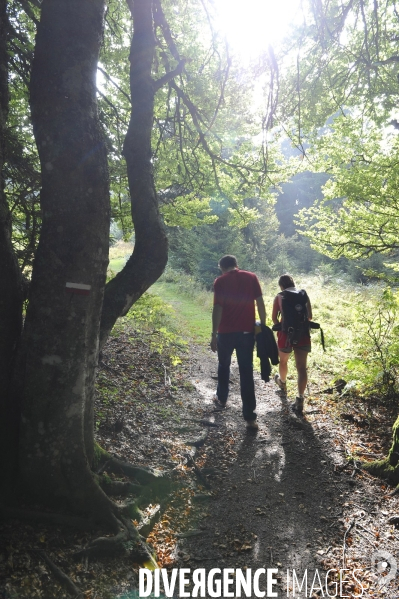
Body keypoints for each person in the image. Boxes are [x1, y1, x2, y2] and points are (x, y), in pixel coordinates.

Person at [210, 255, 266, 430]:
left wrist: (213, 334)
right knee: (246, 371)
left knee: (224, 364)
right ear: (236, 264)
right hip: (247, 333)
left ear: (222, 267)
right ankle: (250, 418)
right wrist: (262, 327)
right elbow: (260, 302)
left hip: (225, 333)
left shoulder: (219, 281)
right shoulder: (251, 277)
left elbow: (217, 308)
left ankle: (222, 397)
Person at [271, 274, 312, 415]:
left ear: (281, 285)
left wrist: (282, 326)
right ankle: (300, 399)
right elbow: (309, 316)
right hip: (303, 334)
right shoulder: (303, 294)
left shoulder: (279, 296)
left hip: (285, 334)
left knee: (283, 361)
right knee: (301, 367)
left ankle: (282, 382)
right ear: (293, 282)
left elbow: (273, 318)